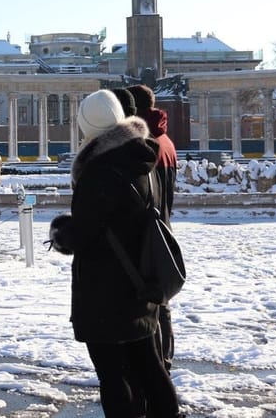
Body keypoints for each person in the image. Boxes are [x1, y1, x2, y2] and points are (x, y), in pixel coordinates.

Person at [49, 89, 180, 417]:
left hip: (106, 291)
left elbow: (85, 233)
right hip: (140, 281)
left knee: (112, 375)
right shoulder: (141, 158)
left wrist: (62, 232)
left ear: (89, 125)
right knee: (149, 368)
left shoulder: (100, 170)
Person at [128, 84, 179, 373]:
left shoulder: (145, 143)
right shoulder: (167, 141)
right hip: (165, 226)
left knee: (150, 303)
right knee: (160, 299)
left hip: (148, 232)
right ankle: (163, 361)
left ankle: (156, 367)